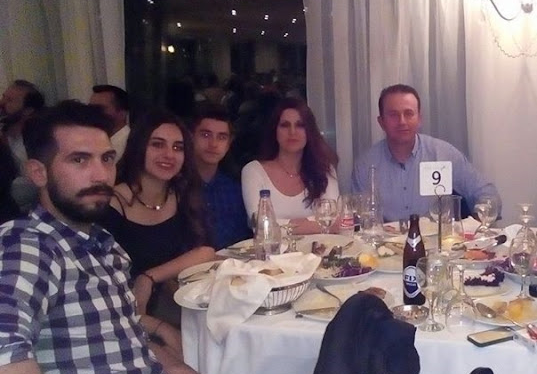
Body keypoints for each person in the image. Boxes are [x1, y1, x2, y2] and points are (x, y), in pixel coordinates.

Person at [0, 101, 303, 374]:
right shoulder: (28, 246)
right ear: (38, 172)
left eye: (106, 159)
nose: (99, 174)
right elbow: (4, 352)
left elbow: (128, 333)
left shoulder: (102, 244)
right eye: (79, 160)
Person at [102, 109, 215, 322]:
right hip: (122, 313)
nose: (169, 155)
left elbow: (206, 251)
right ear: (139, 147)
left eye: (177, 147)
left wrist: (149, 277)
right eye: (157, 144)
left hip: (172, 302)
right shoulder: (111, 206)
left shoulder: (181, 195)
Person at [351, 84, 502, 222]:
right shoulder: (365, 165)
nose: (402, 121)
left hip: (436, 241)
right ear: (381, 122)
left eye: (409, 113)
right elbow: (356, 219)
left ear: (419, 119)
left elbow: (488, 194)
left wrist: (474, 224)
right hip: (386, 243)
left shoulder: (443, 155)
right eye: (393, 115)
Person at [241, 97, 339, 234]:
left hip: (319, 247)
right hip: (272, 248)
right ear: (275, 131)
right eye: (285, 125)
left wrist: (283, 224)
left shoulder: (325, 169)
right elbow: (260, 226)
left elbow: (332, 219)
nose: (292, 132)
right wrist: (313, 224)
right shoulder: (253, 171)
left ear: (309, 132)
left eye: (300, 125)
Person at [191, 104, 251, 250]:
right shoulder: (177, 187)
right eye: (206, 135)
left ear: (229, 143)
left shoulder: (236, 189)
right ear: (191, 137)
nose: (213, 144)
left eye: (222, 137)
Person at [0, 78, 45, 212]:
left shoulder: (38, 138)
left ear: (28, 111)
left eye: (10, 100)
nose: (2, 103)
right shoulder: (3, 135)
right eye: (3, 97)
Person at [89, 84, 130, 161]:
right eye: (90, 108)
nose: (93, 112)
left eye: (100, 108)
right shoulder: (92, 142)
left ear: (122, 113)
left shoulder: (132, 146)